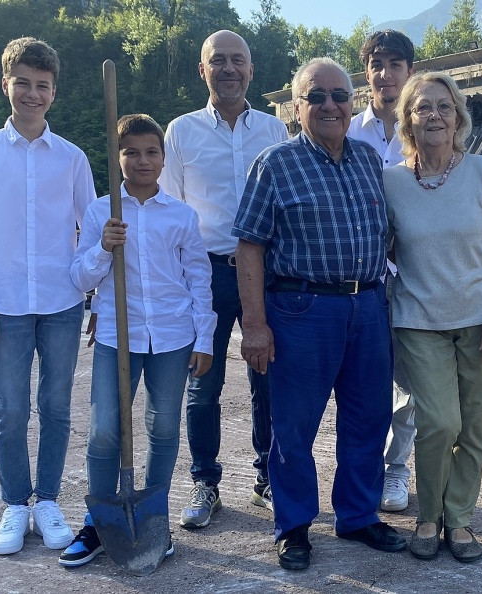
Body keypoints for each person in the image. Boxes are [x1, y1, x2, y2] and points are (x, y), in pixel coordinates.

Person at [233, 57, 406, 571]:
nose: (330, 104)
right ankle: (293, 525)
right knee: (295, 426)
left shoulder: (369, 160)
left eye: (339, 95)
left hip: (369, 305)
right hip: (302, 309)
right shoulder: (275, 163)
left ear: (352, 104)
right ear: (297, 106)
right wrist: (256, 324)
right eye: (317, 96)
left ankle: (356, 515)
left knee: (368, 417)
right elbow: (249, 247)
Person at [0, 37, 96, 556]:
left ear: (54, 92)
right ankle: (16, 503)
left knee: (56, 407)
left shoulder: (72, 158)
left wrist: (95, 298)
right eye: (23, 84)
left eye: (42, 86)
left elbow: (92, 230)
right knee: (9, 408)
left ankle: (49, 500)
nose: (32, 94)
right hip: (6, 304)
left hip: (61, 302)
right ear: (6, 84)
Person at [60, 114, 217, 566]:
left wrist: (204, 337)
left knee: (163, 427)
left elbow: (198, 278)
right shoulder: (101, 212)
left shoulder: (182, 216)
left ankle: (152, 518)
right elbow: (79, 277)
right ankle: (98, 522)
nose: (141, 160)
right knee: (107, 429)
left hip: (172, 335)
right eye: (131, 152)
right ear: (117, 158)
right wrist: (103, 247)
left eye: (151, 152)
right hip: (117, 334)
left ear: (163, 159)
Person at [159, 29, 289, 528]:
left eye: (239, 60)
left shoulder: (276, 131)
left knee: (268, 380)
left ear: (252, 70)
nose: (229, 69)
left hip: (267, 273)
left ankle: (267, 479)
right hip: (207, 273)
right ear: (202, 69)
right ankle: (205, 482)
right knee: (203, 384)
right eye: (219, 61)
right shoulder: (181, 132)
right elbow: (170, 211)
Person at [384, 72, 482, 562]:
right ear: (408, 120)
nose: (434, 116)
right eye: (423, 108)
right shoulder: (392, 181)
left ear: (458, 117)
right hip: (418, 319)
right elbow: (381, 244)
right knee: (440, 422)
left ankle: (458, 519)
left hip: (481, 318)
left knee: (473, 427)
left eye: (443, 107)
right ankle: (427, 516)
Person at [347, 29, 416, 513]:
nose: (385, 73)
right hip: (365, 274)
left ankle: (397, 469)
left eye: (395, 64)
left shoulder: (428, 125)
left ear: (410, 71)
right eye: (377, 63)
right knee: (366, 380)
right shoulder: (348, 130)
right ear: (366, 71)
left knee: (409, 381)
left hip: (415, 273)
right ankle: (363, 467)